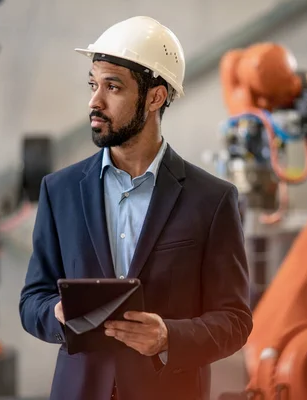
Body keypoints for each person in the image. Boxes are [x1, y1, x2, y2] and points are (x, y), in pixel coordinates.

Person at [19, 16, 252, 400]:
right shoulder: (59, 191)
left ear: (155, 97)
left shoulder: (211, 201)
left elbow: (235, 320)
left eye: (113, 87)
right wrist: (57, 314)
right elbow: (32, 300)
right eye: (93, 85)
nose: (95, 101)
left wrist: (168, 337)